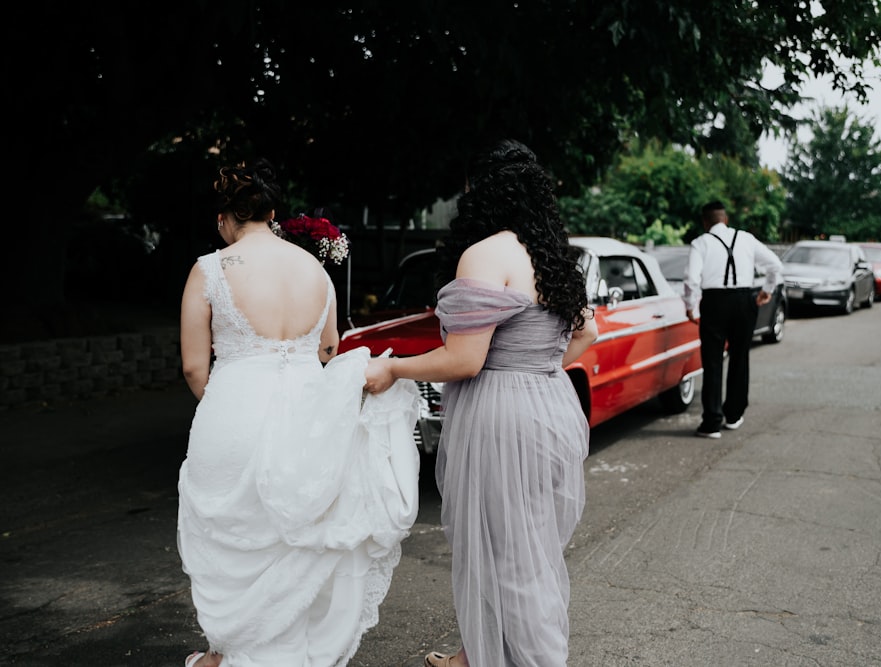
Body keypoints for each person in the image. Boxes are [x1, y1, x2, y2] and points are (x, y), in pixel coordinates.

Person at [176, 158, 421, 667]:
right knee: (295, 544)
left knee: (234, 543)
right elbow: (328, 349)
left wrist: (230, 404)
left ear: (225, 218)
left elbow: (195, 369)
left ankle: (233, 651)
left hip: (233, 415)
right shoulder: (316, 270)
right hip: (309, 420)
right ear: (271, 212)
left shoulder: (210, 270)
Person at [363, 139, 598, 667]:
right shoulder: (554, 255)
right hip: (551, 405)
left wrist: (394, 367)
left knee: (508, 554)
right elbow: (587, 335)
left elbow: (464, 360)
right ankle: (477, 654)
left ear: (481, 193)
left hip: (502, 414)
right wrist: (535, 371)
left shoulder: (486, 253)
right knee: (526, 543)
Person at [683, 200, 783, 439]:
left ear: (705, 222)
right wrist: (767, 290)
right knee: (740, 357)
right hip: (744, 300)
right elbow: (775, 265)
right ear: (725, 220)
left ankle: (712, 423)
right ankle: (734, 415)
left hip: (715, 302)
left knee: (713, 360)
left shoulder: (701, 242)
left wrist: (691, 307)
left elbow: (691, 279)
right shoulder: (747, 238)